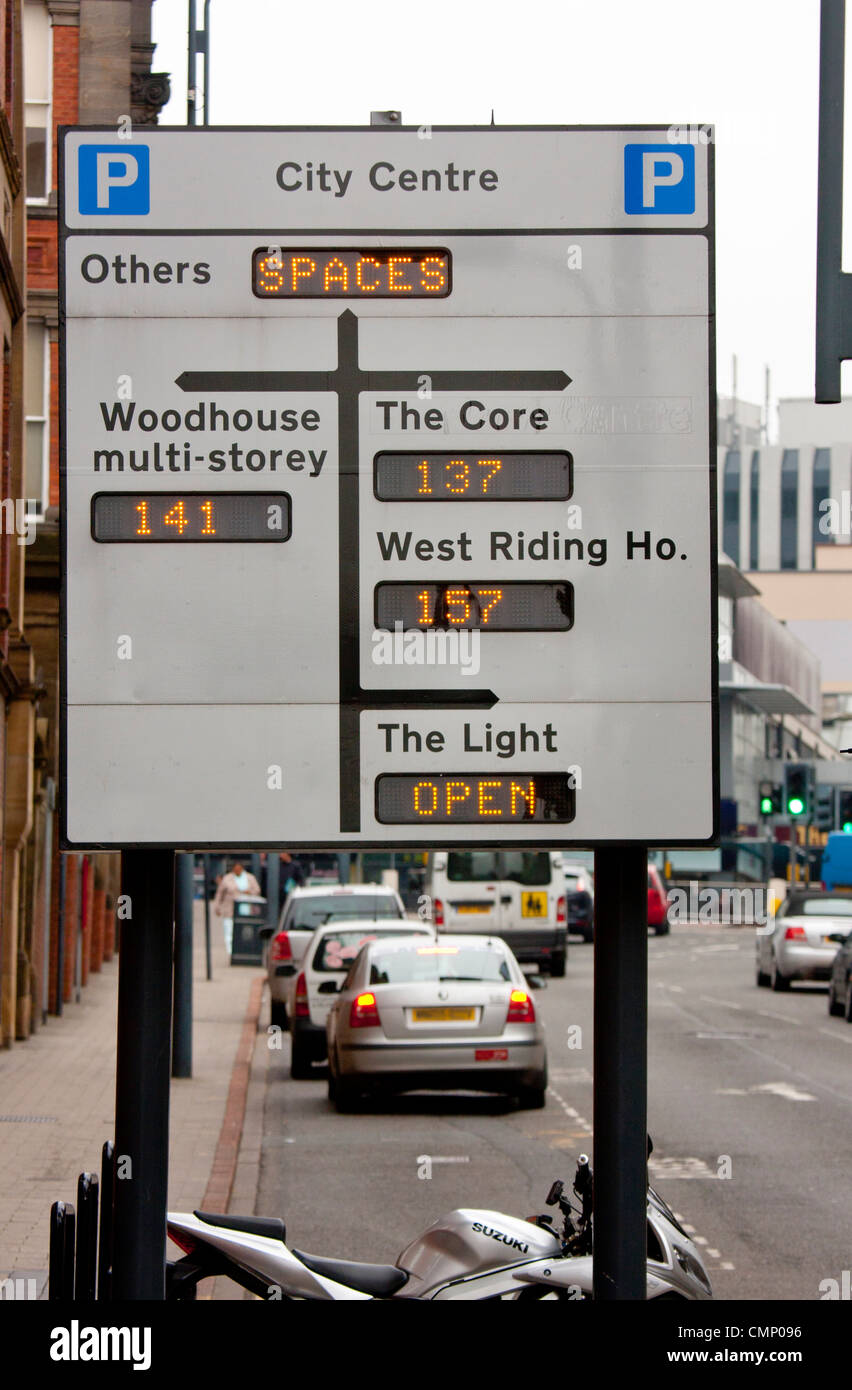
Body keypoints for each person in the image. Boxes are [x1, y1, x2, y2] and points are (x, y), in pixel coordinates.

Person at [214, 860, 261, 955]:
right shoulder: (227, 879)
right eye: (236, 870)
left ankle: (243, 948)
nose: (237, 871)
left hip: (246, 909)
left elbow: (257, 890)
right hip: (230, 908)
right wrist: (217, 907)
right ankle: (230, 950)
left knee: (244, 930)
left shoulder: (250, 878)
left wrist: (250, 892)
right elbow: (220, 894)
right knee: (229, 929)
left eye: (239, 869)